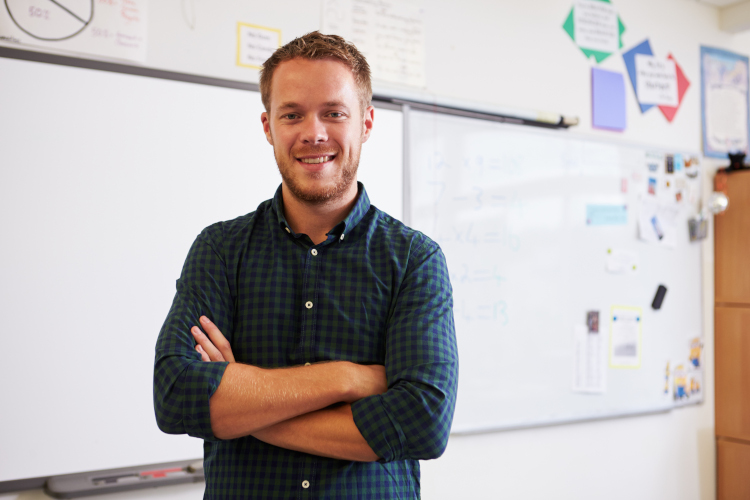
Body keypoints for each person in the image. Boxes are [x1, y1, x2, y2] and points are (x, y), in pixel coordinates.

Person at [153, 31, 458, 499]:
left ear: (367, 123)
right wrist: (349, 378)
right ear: (268, 126)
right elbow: (177, 398)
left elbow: (421, 424)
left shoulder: (414, 260)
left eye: (334, 113)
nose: (313, 132)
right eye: (292, 114)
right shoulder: (219, 250)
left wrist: (247, 407)